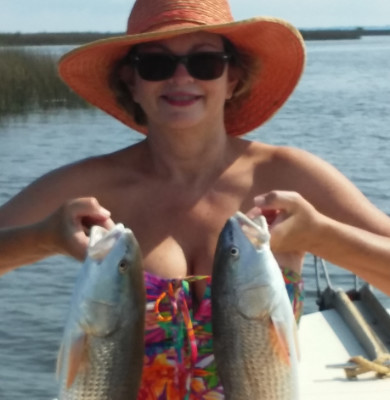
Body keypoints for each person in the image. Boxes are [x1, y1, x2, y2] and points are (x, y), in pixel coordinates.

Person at [1, 0, 390, 397]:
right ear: (131, 80)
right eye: (156, 64)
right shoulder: (88, 186)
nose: (181, 77)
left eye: (205, 62)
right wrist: (41, 238)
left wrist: (323, 237)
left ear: (233, 78)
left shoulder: (287, 174)